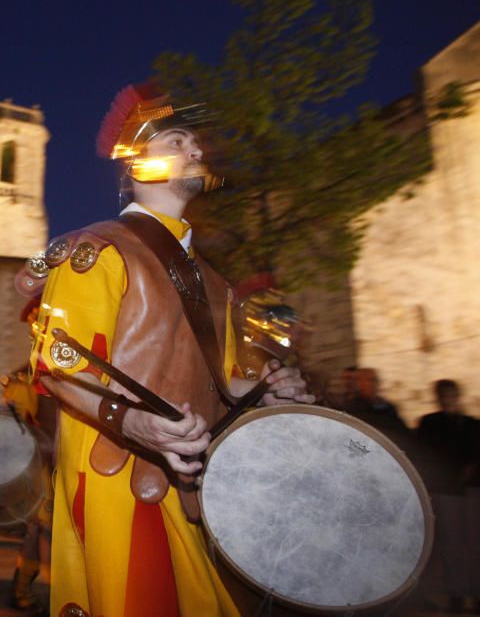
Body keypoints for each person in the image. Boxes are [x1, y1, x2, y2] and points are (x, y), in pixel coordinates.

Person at [27, 82, 312, 617]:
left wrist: (271, 394)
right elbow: (58, 366)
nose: (197, 151)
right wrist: (133, 424)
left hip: (199, 490)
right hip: (122, 481)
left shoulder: (215, 282)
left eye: (195, 142)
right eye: (177, 141)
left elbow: (228, 382)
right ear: (137, 161)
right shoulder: (97, 249)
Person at [2, 296, 57, 615]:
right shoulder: (24, 375)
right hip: (43, 467)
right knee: (39, 530)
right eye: (40, 321)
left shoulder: (71, 367)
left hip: (75, 463)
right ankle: (22, 586)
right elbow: (19, 428)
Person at [416, 379, 480, 614]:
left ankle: (477, 594)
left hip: (472, 490)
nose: (449, 399)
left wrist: (471, 468)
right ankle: (456, 593)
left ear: (458, 396)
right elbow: (428, 455)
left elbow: (479, 453)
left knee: (474, 545)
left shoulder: (473, 425)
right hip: (447, 490)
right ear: (439, 398)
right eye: (444, 395)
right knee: (452, 545)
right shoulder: (431, 424)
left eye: (452, 395)